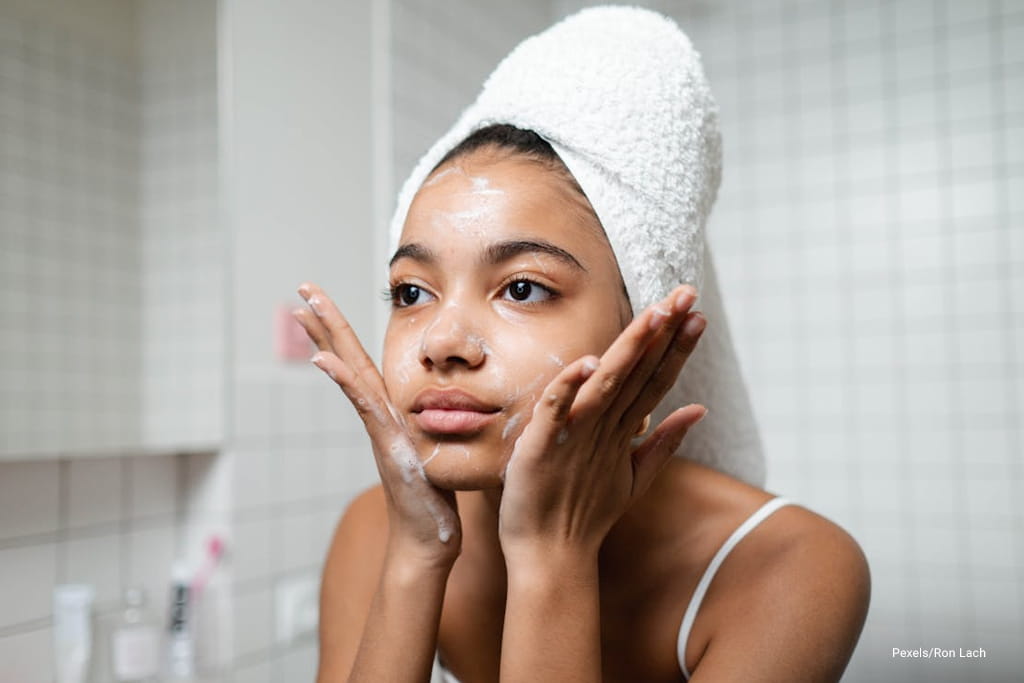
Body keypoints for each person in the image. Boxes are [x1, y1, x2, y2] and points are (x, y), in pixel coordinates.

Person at [295, 9, 869, 683]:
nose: (441, 341)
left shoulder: (788, 568)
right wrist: (417, 555)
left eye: (523, 288)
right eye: (412, 292)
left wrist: (552, 557)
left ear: (647, 330)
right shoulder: (380, 531)